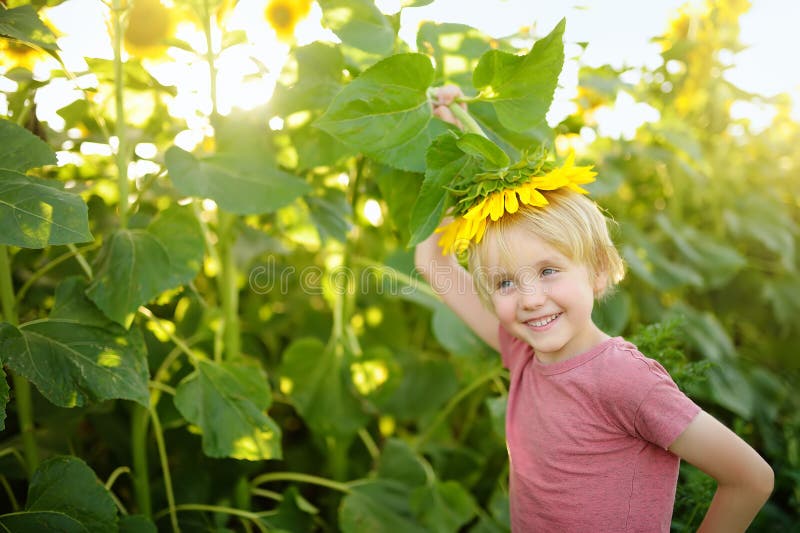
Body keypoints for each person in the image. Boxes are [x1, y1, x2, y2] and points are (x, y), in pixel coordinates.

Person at [414, 85, 774, 532]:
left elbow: (750, 479)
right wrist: (451, 141)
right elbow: (432, 261)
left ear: (599, 271)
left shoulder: (624, 380)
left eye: (548, 271)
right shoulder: (523, 352)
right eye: (505, 282)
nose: (529, 298)